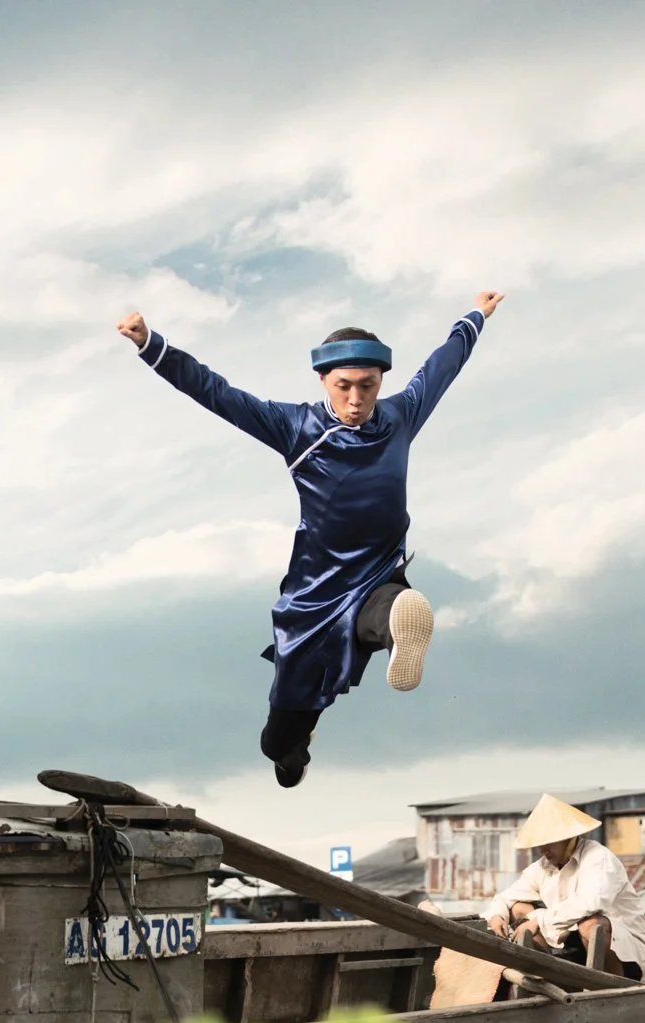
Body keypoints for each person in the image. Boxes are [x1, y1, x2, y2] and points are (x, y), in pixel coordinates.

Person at [116, 293, 504, 787]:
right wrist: (153, 345)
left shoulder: (401, 415)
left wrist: (474, 317)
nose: (357, 400)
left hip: (379, 574)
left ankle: (399, 626)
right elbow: (217, 393)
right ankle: (293, 753)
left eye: (368, 386)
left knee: (389, 607)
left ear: (381, 381)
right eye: (344, 387)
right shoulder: (296, 426)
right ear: (323, 380)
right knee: (276, 741)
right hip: (314, 595)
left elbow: (442, 366)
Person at [483, 794, 645, 982]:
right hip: (574, 948)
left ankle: (612, 988)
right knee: (517, 907)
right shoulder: (543, 867)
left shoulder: (598, 858)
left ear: (568, 838)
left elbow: (591, 902)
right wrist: (497, 915)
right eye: (540, 844)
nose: (543, 850)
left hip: (625, 955)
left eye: (549, 843)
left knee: (591, 926)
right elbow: (506, 897)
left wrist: (538, 920)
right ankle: (551, 979)